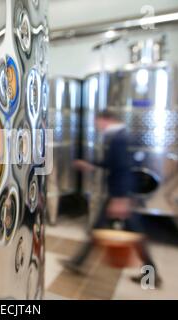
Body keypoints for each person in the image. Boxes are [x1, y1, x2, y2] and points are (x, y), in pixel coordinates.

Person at [65, 110, 162, 287]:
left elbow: (123, 169)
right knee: (100, 229)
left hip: (120, 194)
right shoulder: (121, 136)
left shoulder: (120, 139)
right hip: (121, 193)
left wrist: (120, 199)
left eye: (98, 122)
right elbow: (113, 163)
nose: (97, 127)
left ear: (107, 119)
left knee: (136, 235)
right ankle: (77, 262)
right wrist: (91, 165)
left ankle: (152, 275)